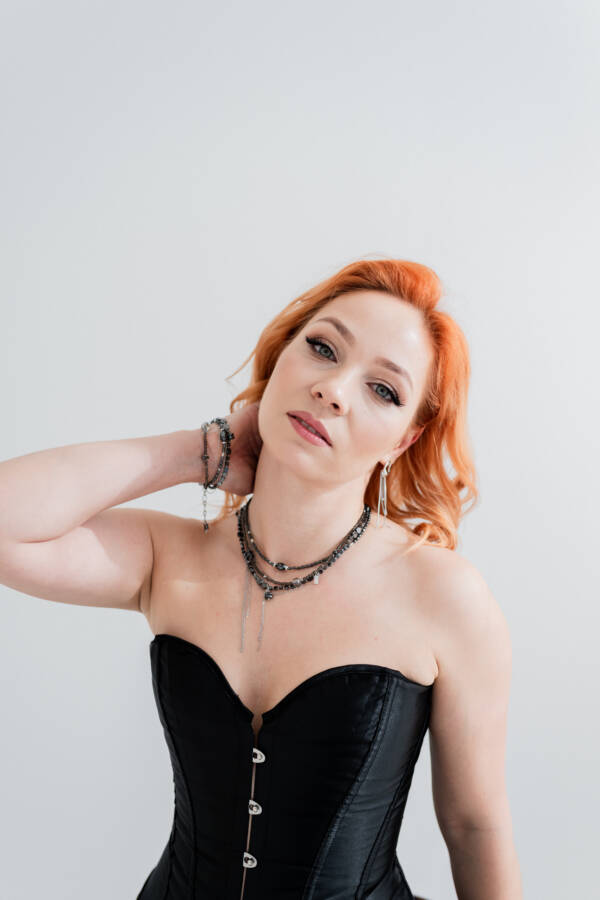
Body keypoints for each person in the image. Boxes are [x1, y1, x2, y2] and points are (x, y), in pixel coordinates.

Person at [0, 257, 522, 899]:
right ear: (279, 362)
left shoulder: (442, 595)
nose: (334, 390)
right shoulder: (169, 557)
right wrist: (199, 452)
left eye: (383, 390)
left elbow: (474, 827)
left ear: (403, 441)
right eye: (323, 349)